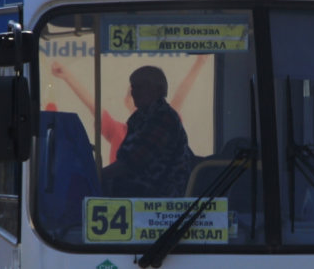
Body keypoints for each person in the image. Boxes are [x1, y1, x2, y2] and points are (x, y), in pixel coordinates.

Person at [49, 54, 209, 163]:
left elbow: (179, 97)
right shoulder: (117, 130)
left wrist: (200, 62)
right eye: (136, 92)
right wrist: (67, 76)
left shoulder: (166, 123)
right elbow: (93, 105)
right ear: (127, 101)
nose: (144, 99)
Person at [100, 66, 195, 198]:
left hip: (157, 197)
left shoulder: (163, 116)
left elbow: (136, 160)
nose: (135, 92)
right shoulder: (145, 116)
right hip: (140, 192)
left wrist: (98, 175)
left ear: (159, 90)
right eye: (133, 87)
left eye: (140, 87)